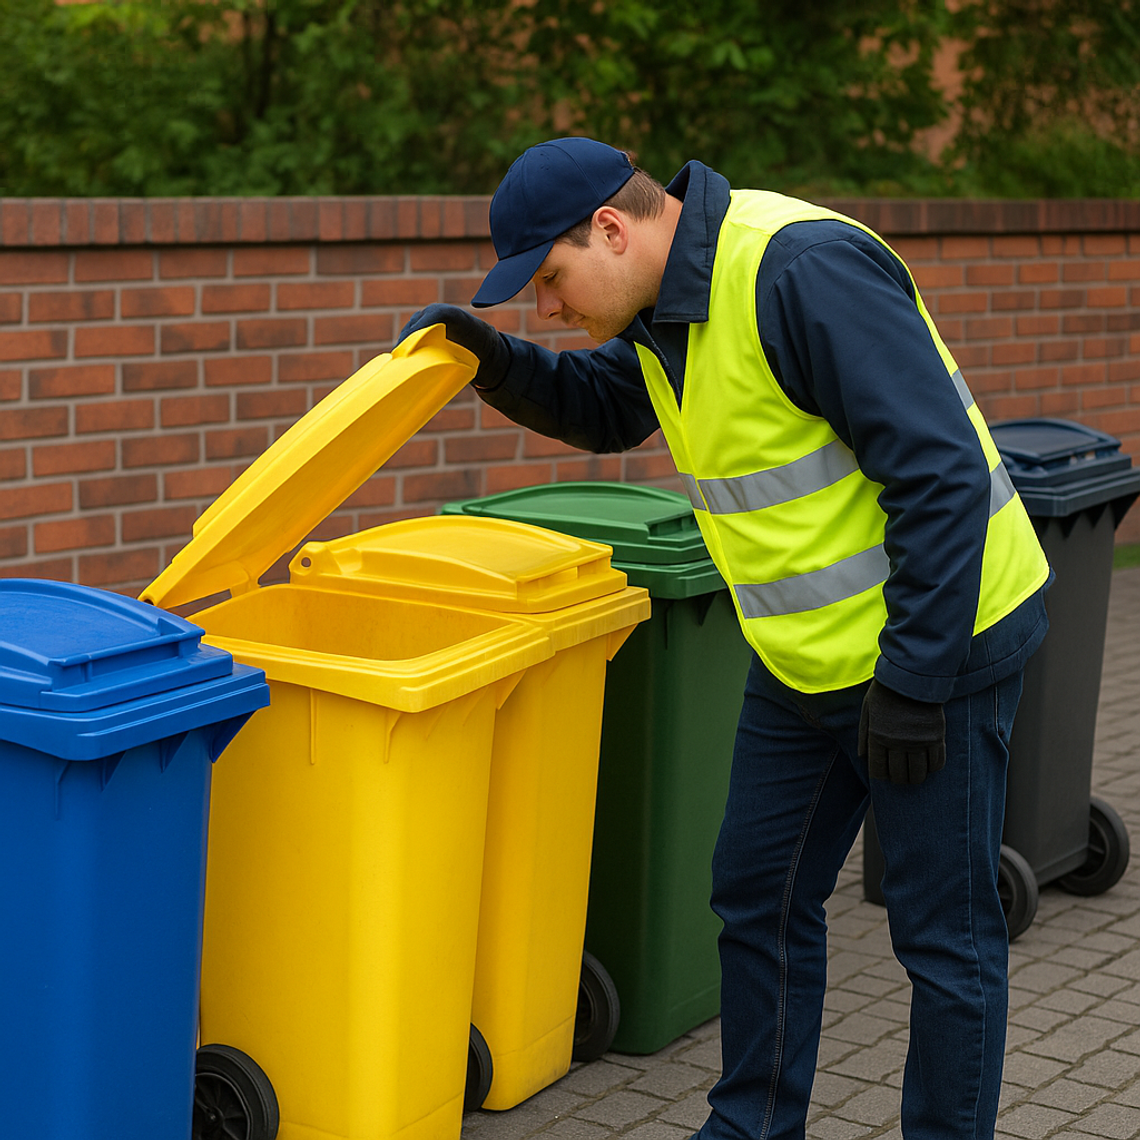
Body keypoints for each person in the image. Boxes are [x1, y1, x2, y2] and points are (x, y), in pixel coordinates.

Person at [399, 137, 1051, 1140]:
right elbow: (613, 406)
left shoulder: (799, 270)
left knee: (942, 938)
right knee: (756, 893)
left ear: (609, 229)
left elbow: (941, 475)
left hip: (940, 651)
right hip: (805, 664)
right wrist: (496, 366)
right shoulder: (668, 308)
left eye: (551, 280)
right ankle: (751, 1127)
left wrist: (917, 680)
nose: (549, 308)